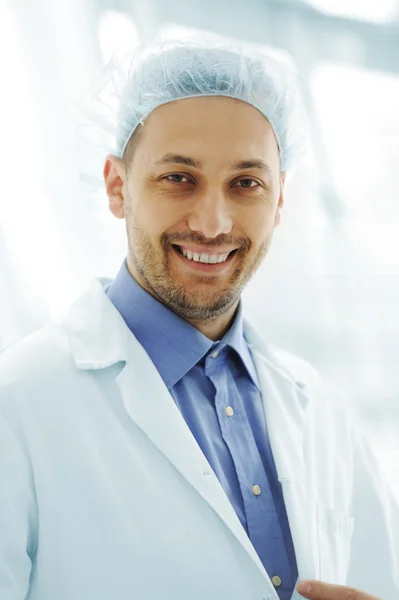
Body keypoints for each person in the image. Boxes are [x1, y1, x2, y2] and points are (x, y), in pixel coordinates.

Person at [0, 31, 397, 600]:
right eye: (179, 177)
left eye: (246, 184)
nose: (212, 223)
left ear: (279, 201)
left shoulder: (321, 413)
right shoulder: (17, 406)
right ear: (117, 187)